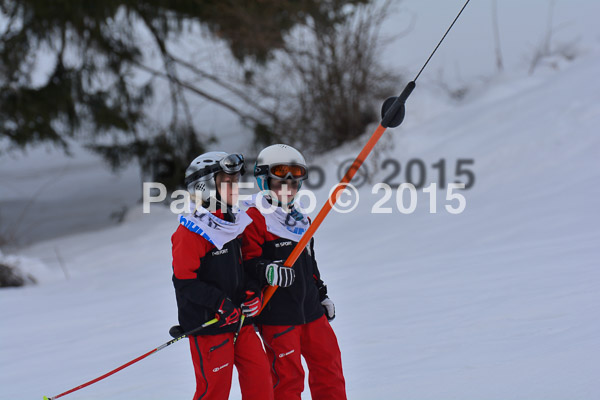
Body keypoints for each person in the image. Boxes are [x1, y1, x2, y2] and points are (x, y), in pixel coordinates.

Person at [241, 144, 346, 400]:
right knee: (287, 380)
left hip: (310, 310)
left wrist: (321, 294)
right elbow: (246, 264)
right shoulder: (253, 217)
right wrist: (267, 270)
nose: (287, 188)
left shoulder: (302, 220)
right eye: (279, 182)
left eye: (294, 182)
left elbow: (309, 264)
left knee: (329, 368)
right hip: (278, 315)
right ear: (263, 181)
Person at [171, 151, 274, 400]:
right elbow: (185, 283)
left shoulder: (234, 222)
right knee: (214, 391)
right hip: (210, 326)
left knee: (262, 381)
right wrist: (219, 303)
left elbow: (245, 266)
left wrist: (253, 291)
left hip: (240, 321)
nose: (235, 188)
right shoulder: (191, 232)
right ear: (204, 187)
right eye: (228, 183)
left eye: (236, 181)